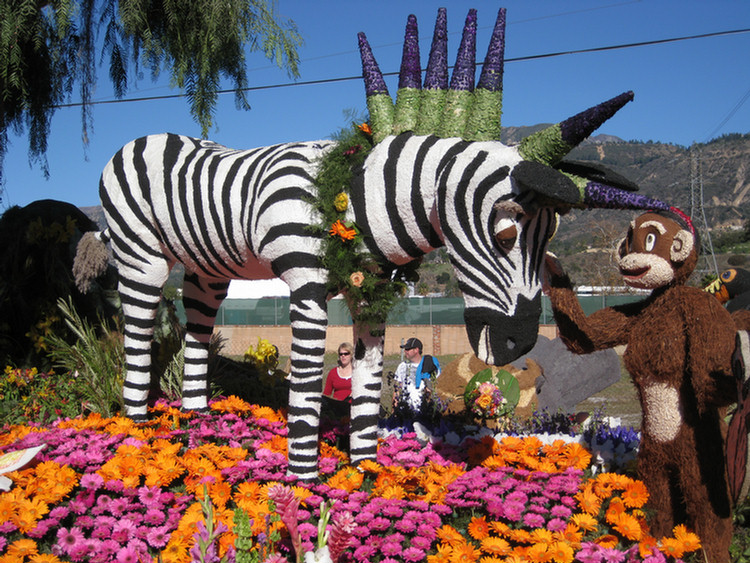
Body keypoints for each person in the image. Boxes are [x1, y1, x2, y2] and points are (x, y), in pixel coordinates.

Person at [392, 337, 441, 416]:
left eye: (408, 349)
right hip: (405, 411)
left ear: (416, 350)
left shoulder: (430, 365)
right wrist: (394, 411)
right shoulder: (402, 366)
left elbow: (435, 388)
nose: (405, 351)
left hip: (424, 412)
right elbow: (397, 390)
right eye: (405, 349)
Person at [323, 342, 353, 418]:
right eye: (341, 354)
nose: (343, 356)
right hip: (336, 410)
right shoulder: (333, 373)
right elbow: (327, 394)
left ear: (351, 355)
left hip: (353, 409)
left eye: (346, 354)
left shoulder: (357, 372)